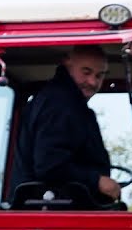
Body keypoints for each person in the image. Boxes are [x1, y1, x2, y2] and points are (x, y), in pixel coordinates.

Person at [10, 45, 121, 205]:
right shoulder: (62, 104)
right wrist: (97, 181)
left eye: (99, 75)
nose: (92, 82)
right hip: (52, 210)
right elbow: (49, 166)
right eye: (86, 72)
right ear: (67, 65)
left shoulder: (58, 100)